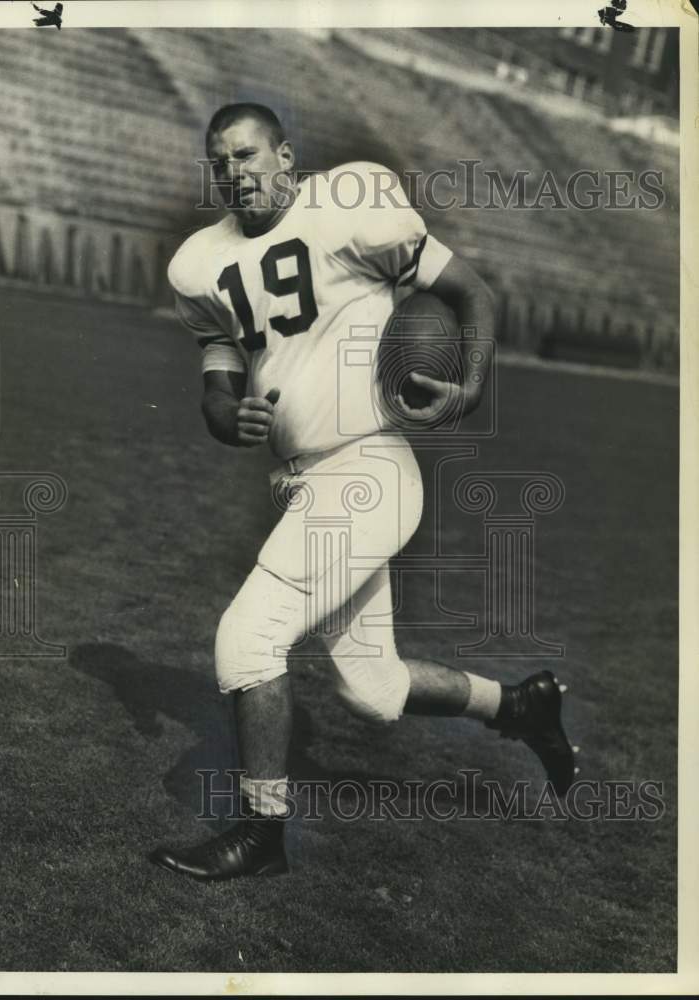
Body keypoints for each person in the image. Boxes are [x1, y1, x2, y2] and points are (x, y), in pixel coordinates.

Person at [150, 103, 577, 881]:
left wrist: (469, 387)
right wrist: (223, 412)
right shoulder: (200, 263)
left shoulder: (348, 208)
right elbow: (217, 371)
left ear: (285, 156)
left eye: (246, 155)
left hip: (366, 471)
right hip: (303, 482)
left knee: (246, 641)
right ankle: (517, 706)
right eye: (219, 163)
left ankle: (261, 835)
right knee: (371, 689)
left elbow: (472, 293)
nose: (233, 173)